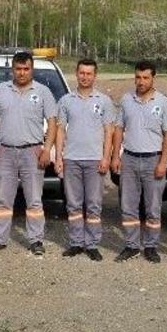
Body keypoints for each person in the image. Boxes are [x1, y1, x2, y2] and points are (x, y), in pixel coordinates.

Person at [0, 51, 57, 255]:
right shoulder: (0, 90)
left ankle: (36, 240)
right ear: (12, 70)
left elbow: (52, 123)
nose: (22, 73)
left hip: (33, 152)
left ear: (32, 69)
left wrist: (47, 149)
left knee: (34, 200)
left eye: (26, 69)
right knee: (3, 199)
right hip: (6, 151)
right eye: (18, 69)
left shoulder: (43, 92)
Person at [111, 61, 167, 263]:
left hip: (153, 160)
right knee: (128, 206)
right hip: (129, 158)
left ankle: (151, 246)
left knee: (153, 207)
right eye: (138, 77)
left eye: (146, 77)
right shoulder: (126, 100)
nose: (141, 81)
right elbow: (119, 129)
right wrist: (115, 156)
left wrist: (163, 162)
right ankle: (131, 246)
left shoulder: (163, 102)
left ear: (153, 78)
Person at [54, 59, 116, 262]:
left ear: (95, 76)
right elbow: (60, 130)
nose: (85, 77)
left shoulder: (104, 101)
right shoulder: (66, 101)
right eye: (82, 73)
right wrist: (59, 157)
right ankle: (76, 242)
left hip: (94, 160)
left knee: (94, 205)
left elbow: (109, 132)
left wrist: (106, 157)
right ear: (76, 73)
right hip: (71, 159)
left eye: (89, 73)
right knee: (73, 205)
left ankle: (92, 244)